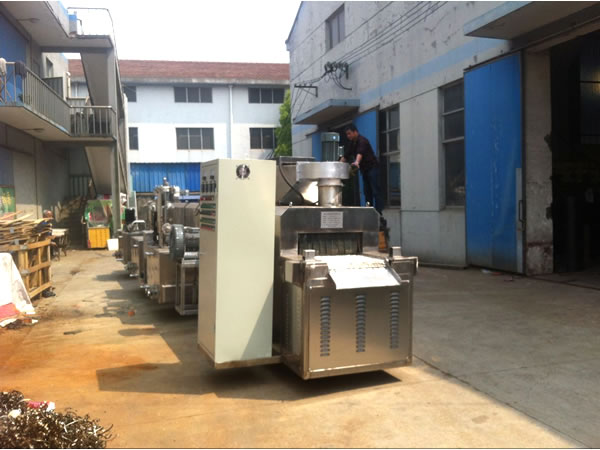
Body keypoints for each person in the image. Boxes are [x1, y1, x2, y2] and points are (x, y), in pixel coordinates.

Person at [341, 124, 383, 214]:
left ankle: (379, 213)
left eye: (349, 133)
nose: (348, 136)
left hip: (373, 168)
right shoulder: (352, 143)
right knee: (367, 193)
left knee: (375, 191)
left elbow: (360, 153)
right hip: (365, 171)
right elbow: (346, 156)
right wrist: (337, 165)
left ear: (355, 132)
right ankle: (369, 212)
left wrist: (356, 162)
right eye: (347, 134)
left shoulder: (362, 141)